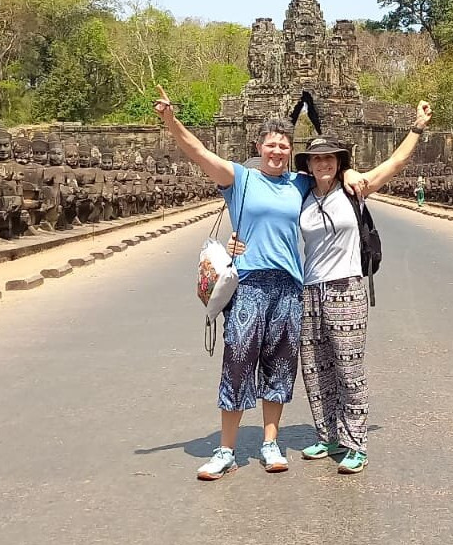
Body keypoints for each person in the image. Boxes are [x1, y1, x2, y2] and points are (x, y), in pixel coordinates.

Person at [154, 84, 363, 481]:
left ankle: (270, 442)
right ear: (258, 147)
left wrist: (348, 166)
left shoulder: (298, 184)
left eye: (284, 146)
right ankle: (225, 448)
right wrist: (170, 120)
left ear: (290, 152)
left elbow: (330, 171)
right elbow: (200, 154)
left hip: (288, 287)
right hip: (249, 284)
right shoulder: (240, 179)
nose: (277, 152)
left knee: (280, 365)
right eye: (271, 145)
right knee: (236, 362)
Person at [242, 101, 432, 474]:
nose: (324, 164)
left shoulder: (355, 189)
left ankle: (354, 441)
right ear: (308, 166)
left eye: (331, 159)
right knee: (315, 368)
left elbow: (394, 164)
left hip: (346, 287)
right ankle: (328, 433)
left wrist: (417, 129)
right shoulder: (301, 195)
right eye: (317, 159)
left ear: (339, 162)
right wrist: (237, 241)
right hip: (309, 289)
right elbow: (260, 197)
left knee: (348, 366)